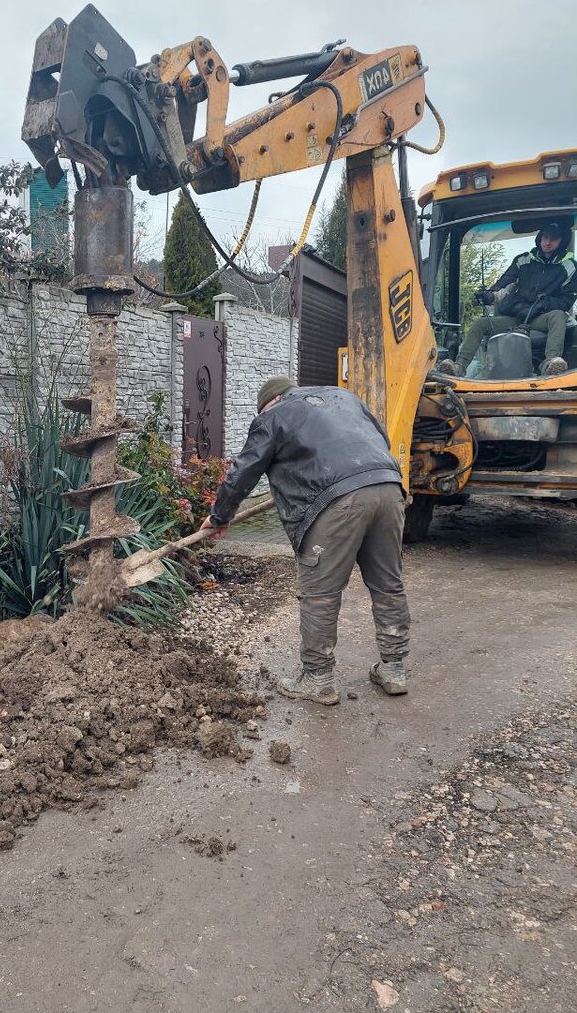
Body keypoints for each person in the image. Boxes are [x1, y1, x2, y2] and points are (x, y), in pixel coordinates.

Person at [201, 376, 411, 707]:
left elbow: (243, 471)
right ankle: (395, 669)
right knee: (388, 585)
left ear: (269, 401)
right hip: (388, 486)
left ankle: (318, 679)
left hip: (337, 501)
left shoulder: (272, 416)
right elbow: (379, 439)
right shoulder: (344, 397)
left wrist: (219, 516)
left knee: (321, 594)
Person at [438, 220, 577, 377]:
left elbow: (567, 299)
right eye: (545, 237)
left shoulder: (569, 266)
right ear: (540, 237)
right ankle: (459, 366)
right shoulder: (523, 260)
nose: (548, 242)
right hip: (517, 317)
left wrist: (544, 304)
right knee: (480, 323)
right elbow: (504, 282)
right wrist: (489, 295)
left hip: (542, 317)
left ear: (563, 240)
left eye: (554, 239)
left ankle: (552, 362)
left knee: (558, 315)